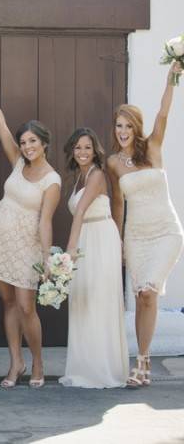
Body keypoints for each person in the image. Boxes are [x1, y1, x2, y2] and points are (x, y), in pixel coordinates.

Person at [0, 59, 61, 389]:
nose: (26, 147)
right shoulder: (17, 163)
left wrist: (46, 258)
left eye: (32, 142)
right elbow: (0, 122)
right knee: (9, 303)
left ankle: (37, 361)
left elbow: (46, 221)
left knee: (26, 306)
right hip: (0, 241)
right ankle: (16, 362)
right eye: (23, 142)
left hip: (27, 246)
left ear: (44, 143)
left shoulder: (52, 180)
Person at [106, 61, 184, 387]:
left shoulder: (152, 147)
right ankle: (142, 359)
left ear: (136, 127)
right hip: (136, 236)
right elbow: (117, 204)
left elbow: (163, 114)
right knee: (140, 297)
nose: (122, 131)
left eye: (128, 126)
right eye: (118, 126)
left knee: (150, 291)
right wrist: (118, 241)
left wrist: (171, 79)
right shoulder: (113, 163)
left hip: (166, 231)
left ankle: (142, 360)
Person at [60, 128, 128, 388]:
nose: (82, 152)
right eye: (78, 147)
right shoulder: (79, 176)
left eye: (87, 147)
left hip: (100, 237)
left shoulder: (97, 174)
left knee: (99, 299)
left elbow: (79, 213)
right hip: (86, 237)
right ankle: (84, 366)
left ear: (95, 150)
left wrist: (70, 250)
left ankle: (103, 369)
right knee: (82, 299)